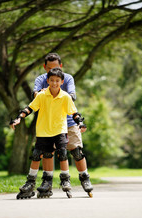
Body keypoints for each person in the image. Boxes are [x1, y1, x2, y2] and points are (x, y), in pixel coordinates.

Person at [10, 68, 86, 199]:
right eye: (52, 80)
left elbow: (74, 113)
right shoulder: (41, 95)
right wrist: (19, 118)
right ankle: (30, 182)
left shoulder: (65, 97)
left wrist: (80, 123)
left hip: (60, 130)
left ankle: (65, 179)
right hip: (43, 131)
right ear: (48, 81)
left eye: (57, 80)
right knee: (36, 155)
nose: (54, 83)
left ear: (62, 82)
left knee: (62, 153)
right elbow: (30, 108)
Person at [32, 53, 93, 195]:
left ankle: (85, 177)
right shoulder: (41, 79)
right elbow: (35, 95)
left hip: (69, 122)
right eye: (49, 69)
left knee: (76, 151)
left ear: (61, 66)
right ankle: (47, 182)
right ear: (44, 67)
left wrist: (59, 94)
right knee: (48, 152)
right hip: (49, 123)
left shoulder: (68, 78)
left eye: (56, 68)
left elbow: (72, 95)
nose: (53, 72)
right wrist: (41, 93)